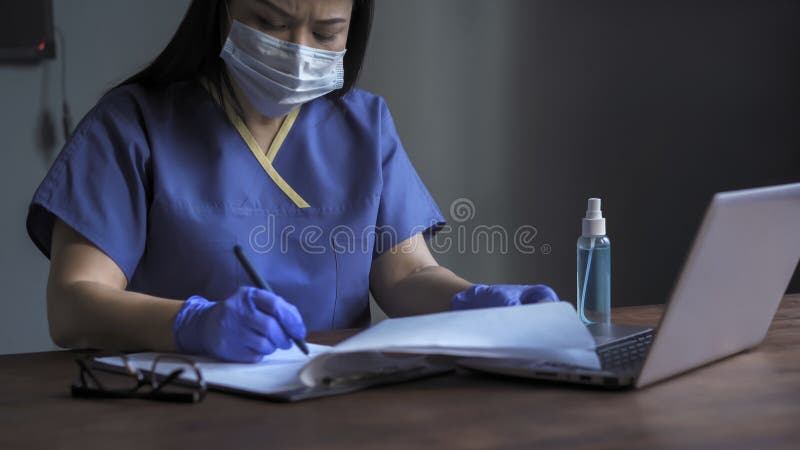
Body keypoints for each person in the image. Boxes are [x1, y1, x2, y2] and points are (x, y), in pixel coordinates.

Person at [26, 0, 560, 363]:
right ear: (221, 8)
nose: (297, 49)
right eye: (270, 21)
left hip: (327, 405)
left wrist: (474, 304)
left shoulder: (364, 126)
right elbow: (73, 305)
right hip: (177, 406)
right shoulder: (132, 125)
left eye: (326, 32)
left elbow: (405, 276)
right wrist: (192, 325)